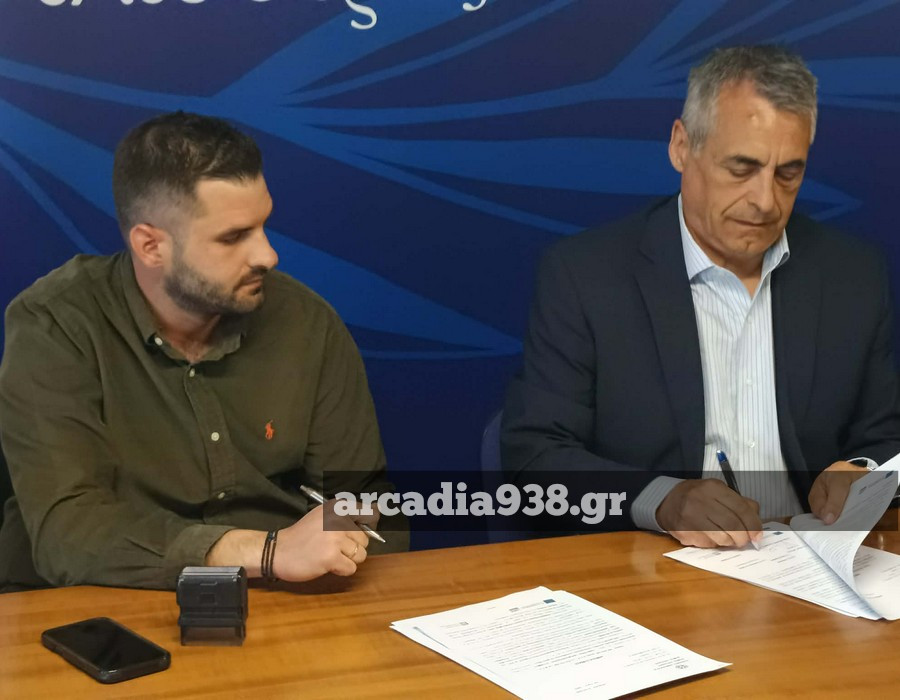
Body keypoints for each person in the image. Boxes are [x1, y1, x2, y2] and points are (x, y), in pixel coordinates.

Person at [502, 45, 900, 549]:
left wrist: (863, 471)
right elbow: (534, 456)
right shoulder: (585, 276)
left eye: (788, 173)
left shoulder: (853, 275)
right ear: (681, 146)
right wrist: (661, 500)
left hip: (812, 564)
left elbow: (885, 436)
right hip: (655, 565)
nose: (765, 201)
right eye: (741, 168)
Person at [0, 112, 407, 591]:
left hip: (282, 601)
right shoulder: (56, 325)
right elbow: (67, 532)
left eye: (263, 226)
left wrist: (342, 546)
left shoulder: (307, 322)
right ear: (151, 246)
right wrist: (266, 551)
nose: (267, 255)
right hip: (102, 603)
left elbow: (360, 497)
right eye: (233, 237)